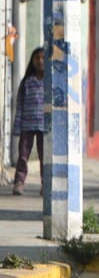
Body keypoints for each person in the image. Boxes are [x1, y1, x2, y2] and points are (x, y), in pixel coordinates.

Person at [11, 46, 46, 195]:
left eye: (43, 58)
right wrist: (17, 126)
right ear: (32, 61)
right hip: (27, 125)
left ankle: (46, 185)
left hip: (44, 126)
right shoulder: (27, 82)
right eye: (37, 58)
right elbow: (20, 105)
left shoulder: (49, 83)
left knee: (44, 157)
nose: (40, 61)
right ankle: (19, 182)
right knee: (23, 156)